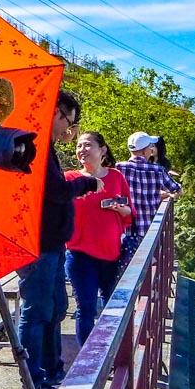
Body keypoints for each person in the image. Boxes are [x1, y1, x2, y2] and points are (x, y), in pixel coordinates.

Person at [15, 91, 100, 389]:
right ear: (57, 113)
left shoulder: (44, 146)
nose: (70, 129)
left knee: (54, 309)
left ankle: (51, 371)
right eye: (70, 121)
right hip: (38, 243)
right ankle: (32, 379)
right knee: (37, 311)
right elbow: (54, 189)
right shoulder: (35, 145)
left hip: (51, 242)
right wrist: (87, 183)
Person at [65, 131, 132, 343]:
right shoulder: (70, 179)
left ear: (102, 150)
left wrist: (121, 209)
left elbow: (130, 213)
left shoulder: (116, 177)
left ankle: (108, 353)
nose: (82, 150)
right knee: (86, 307)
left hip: (112, 255)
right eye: (79, 146)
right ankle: (85, 363)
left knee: (112, 307)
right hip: (79, 255)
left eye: (87, 145)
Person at [116, 131, 181, 268]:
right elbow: (176, 189)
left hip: (125, 231)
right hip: (149, 231)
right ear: (146, 150)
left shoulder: (119, 168)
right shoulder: (158, 170)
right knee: (147, 271)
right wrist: (167, 195)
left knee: (124, 273)